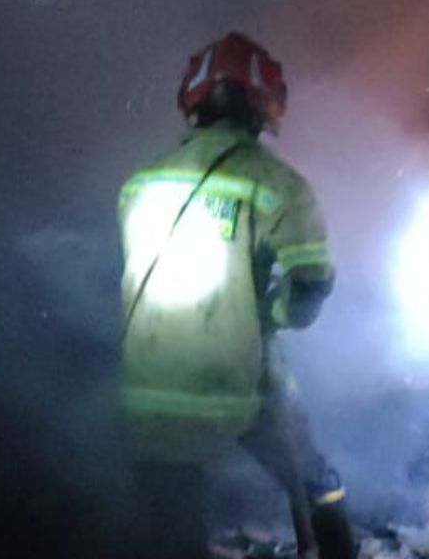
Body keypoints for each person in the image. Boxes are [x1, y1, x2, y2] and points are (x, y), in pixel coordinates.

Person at [118, 32, 355, 559]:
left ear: (195, 100)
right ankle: (335, 545)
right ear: (263, 106)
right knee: (315, 478)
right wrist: (269, 313)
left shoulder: (139, 182)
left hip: (146, 393)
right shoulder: (277, 183)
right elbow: (309, 286)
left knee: (171, 531)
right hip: (234, 391)